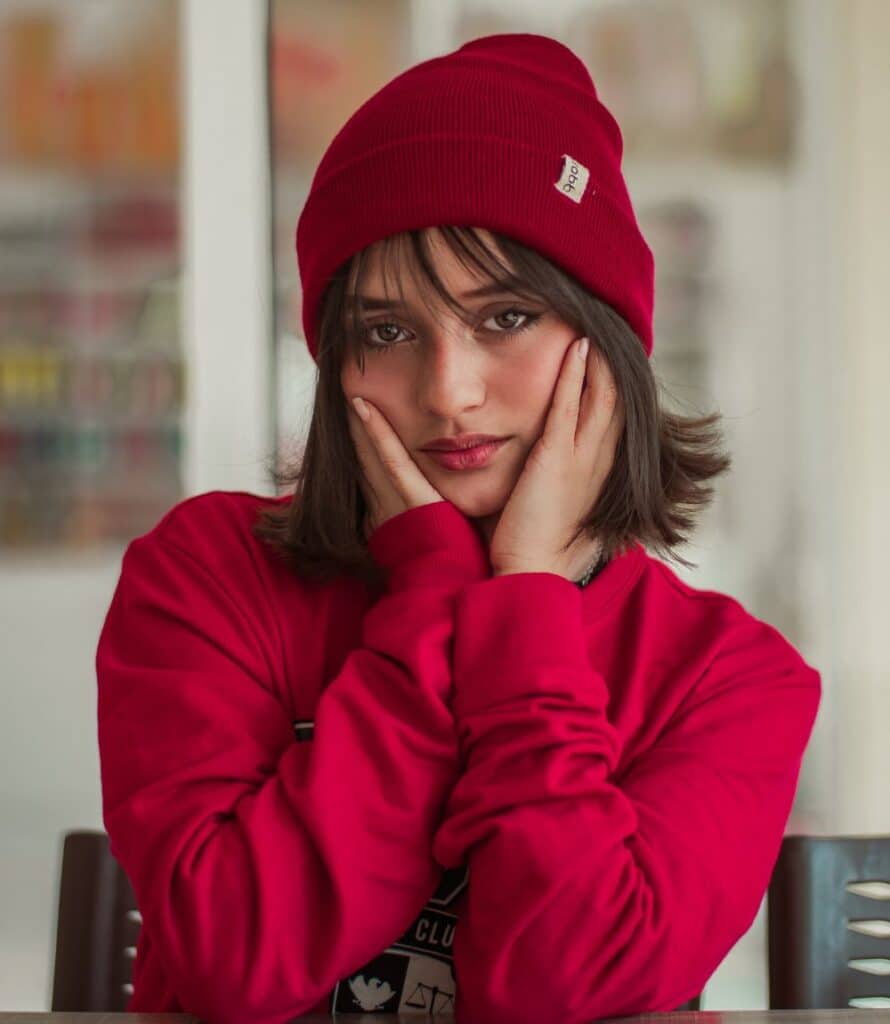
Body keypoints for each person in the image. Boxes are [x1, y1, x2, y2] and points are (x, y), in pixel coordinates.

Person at [96, 32, 821, 1024]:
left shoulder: (727, 675)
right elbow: (235, 961)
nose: (450, 391)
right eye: (387, 331)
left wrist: (520, 602)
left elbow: (563, 988)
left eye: (504, 317)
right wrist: (433, 589)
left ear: (604, 342)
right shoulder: (205, 574)